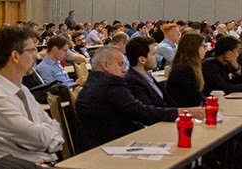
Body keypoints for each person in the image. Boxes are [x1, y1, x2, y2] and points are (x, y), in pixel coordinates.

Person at [75, 46, 203, 151]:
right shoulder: (111, 84)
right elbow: (140, 112)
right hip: (114, 146)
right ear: (106, 66)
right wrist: (184, 112)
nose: (124, 69)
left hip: (99, 145)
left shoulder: (94, 83)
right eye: (120, 64)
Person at [0, 26, 64, 163]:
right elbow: (39, 139)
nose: (36, 56)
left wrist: (47, 134)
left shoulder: (22, 90)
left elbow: (55, 126)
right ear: (15, 56)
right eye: (31, 50)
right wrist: (48, 135)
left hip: (43, 168)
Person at [125, 37, 174, 107]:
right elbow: (151, 112)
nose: (156, 57)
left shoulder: (147, 76)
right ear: (142, 60)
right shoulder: (133, 82)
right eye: (153, 54)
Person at [166, 33, 206, 107]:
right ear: (193, 48)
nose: (205, 49)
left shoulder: (189, 66)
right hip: (184, 112)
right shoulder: (185, 70)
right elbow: (195, 98)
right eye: (203, 46)